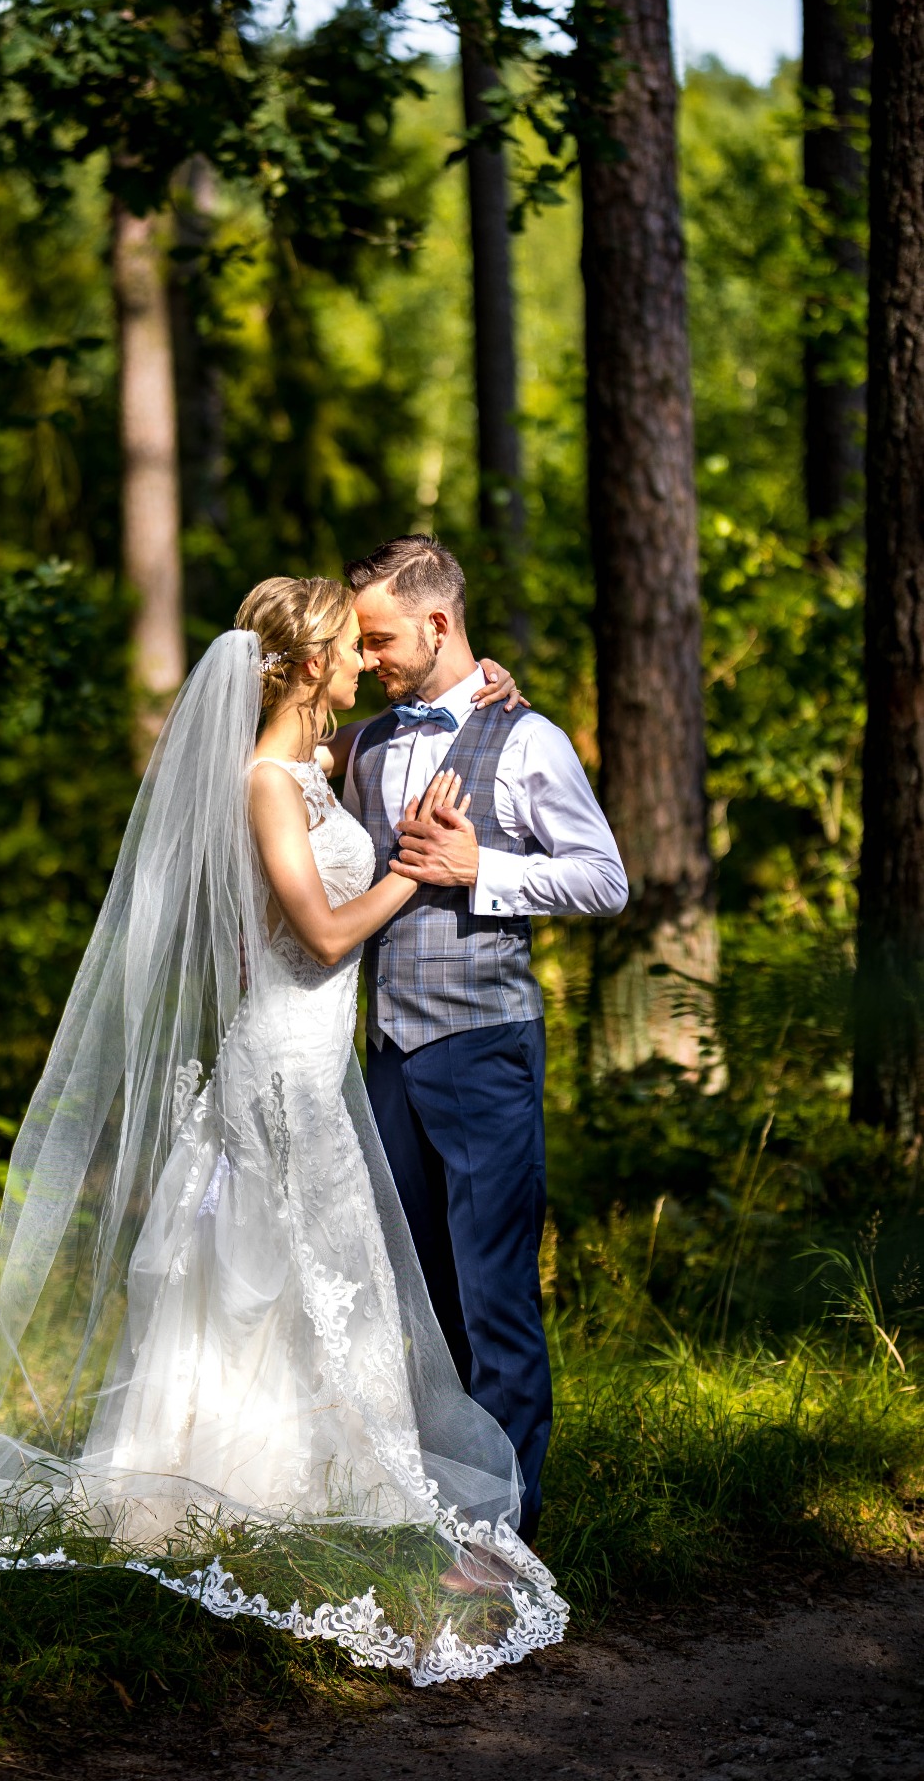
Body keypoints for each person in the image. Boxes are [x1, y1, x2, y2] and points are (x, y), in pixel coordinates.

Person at [0, 575, 567, 1688]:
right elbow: (324, 936)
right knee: (280, 1266)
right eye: (346, 646)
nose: (363, 661)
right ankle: (247, 1483)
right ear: (299, 665)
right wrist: (416, 869)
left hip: (311, 1058)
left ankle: (321, 1473)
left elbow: (401, 741)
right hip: (281, 1063)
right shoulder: (265, 782)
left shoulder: (321, 766)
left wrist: (479, 692)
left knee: (306, 1274)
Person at [328, 535, 627, 1546]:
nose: (369, 658)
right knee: (416, 1295)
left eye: (380, 639)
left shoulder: (529, 738)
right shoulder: (367, 745)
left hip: (484, 1045)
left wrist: (481, 870)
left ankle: (504, 1535)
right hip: (386, 1054)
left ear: (437, 623)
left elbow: (603, 879)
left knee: (496, 1294)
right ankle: (439, 1505)